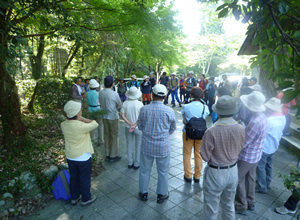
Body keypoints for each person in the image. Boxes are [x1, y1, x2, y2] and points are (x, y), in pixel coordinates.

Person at [201, 96, 245, 220]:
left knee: (211, 207)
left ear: (218, 112)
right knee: (229, 204)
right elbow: (241, 147)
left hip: (216, 171)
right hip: (233, 170)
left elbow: (204, 155)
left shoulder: (211, 131)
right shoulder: (241, 129)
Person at [137, 84, 176, 204]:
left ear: (152, 94)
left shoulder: (144, 109)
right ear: (164, 97)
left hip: (147, 145)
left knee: (144, 170)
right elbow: (172, 128)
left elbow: (140, 126)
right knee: (163, 171)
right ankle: (161, 194)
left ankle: (143, 193)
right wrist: (164, 135)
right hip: (162, 146)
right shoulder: (169, 110)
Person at [235, 91, 268, 215]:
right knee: (251, 178)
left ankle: (241, 205)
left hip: (247, 156)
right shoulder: (263, 117)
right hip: (256, 154)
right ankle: (251, 202)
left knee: (238, 178)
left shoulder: (255, 121)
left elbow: (245, 142)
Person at [60, 101, 98, 206]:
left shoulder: (63, 124)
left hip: (70, 156)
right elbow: (95, 123)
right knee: (84, 178)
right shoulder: (80, 126)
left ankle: (74, 197)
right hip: (83, 157)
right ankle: (86, 198)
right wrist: (82, 119)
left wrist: (78, 118)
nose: (81, 111)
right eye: (79, 110)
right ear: (77, 113)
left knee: (74, 177)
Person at [256, 97, 285, 193]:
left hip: (264, 147)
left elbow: (261, 133)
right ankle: (268, 183)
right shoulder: (282, 118)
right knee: (269, 165)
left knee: (260, 167)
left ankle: (262, 186)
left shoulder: (269, 121)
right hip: (274, 145)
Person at [181, 87, 209, 183]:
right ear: (201, 96)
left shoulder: (186, 106)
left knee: (187, 154)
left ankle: (188, 175)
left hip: (188, 133)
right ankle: (197, 176)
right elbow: (205, 117)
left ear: (191, 95)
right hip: (201, 133)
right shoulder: (205, 107)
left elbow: (184, 121)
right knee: (198, 154)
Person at [99, 75, 123, 162]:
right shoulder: (114, 93)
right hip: (113, 117)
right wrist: (114, 106)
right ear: (112, 84)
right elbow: (120, 105)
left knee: (106, 135)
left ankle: (108, 154)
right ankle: (114, 155)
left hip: (104, 116)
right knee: (114, 136)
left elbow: (100, 103)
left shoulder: (101, 92)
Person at [121, 87, 143, 170]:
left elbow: (122, 114)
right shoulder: (140, 104)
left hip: (128, 127)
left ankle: (130, 162)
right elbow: (142, 116)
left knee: (129, 144)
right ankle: (137, 163)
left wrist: (130, 123)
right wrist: (135, 124)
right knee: (138, 145)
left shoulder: (125, 103)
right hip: (138, 127)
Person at [86, 79, 104, 146]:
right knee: (100, 126)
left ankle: (92, 140)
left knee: (91, 126)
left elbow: (86, 102)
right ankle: (100, 140)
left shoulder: (87, 93)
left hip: (90, 110)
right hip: (98, 109)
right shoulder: (99, 93)